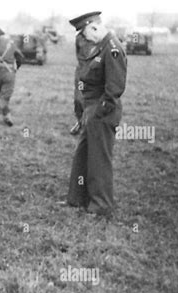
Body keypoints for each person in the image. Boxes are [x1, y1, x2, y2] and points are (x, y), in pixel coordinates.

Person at [66, 11, 127, 217]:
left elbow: (115, 89)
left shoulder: (112, 48)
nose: (85, 39)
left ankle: (101, 207)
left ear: (94, 27)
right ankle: (77, 198)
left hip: (102, 112)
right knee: (83, 155)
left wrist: (97, 112)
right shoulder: (100, 47)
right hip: (91, 111)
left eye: (86, 33)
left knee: (99, 160)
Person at [70, 32, 95, 135]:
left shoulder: (98, 37)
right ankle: (80, 122)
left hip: (94, 72)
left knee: (92, 101)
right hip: (81, 72)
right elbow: (78, 54)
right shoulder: (79, 38)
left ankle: (91, 126)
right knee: (78, 100)